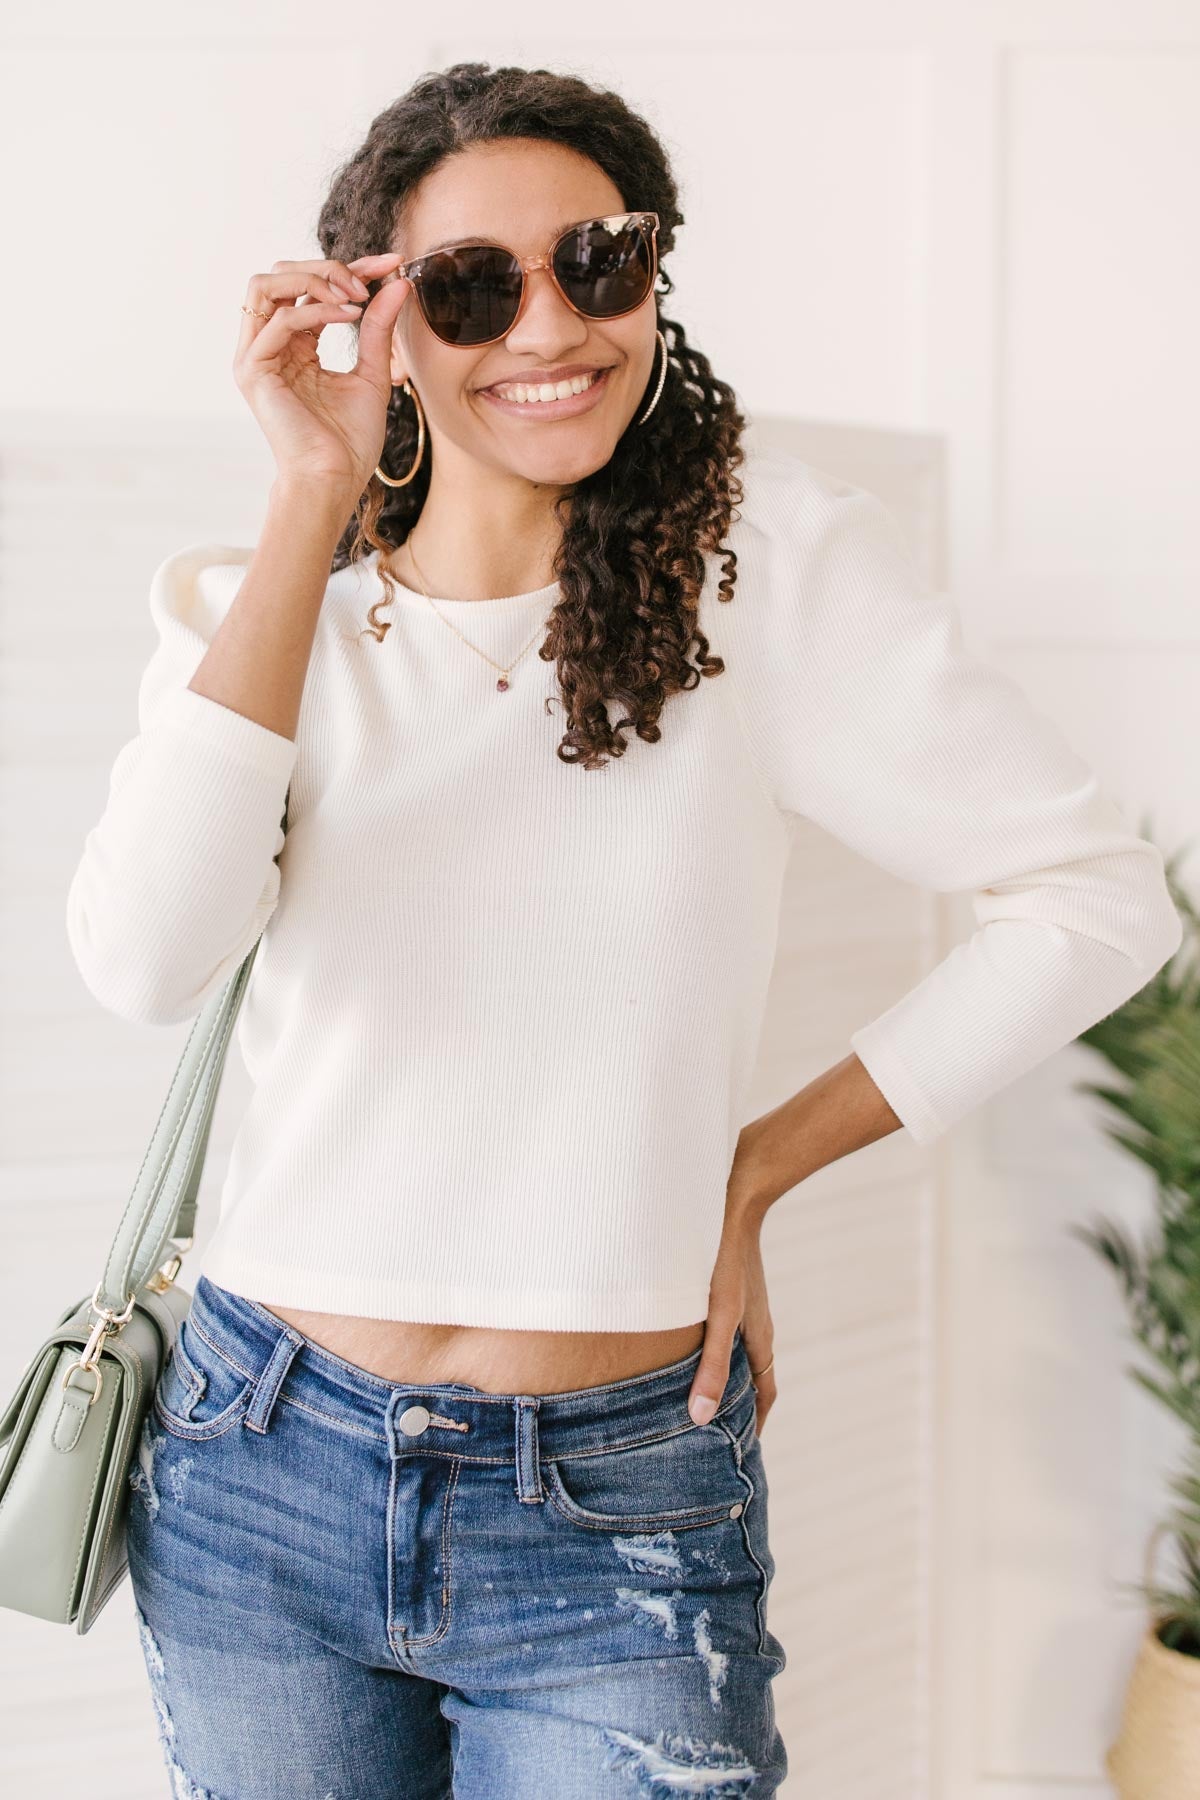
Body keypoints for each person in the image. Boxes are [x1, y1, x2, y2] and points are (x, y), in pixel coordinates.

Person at [66, 61, 1181, 1800]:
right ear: (386, 329)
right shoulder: (269, 612)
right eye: (469, 284)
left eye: (599, 259)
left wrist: (748, 1172)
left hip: (618, 1506)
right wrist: (307, 498)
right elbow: (139, 964)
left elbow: (1094, 893)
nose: (550, 322)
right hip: (258, 1460)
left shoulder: (766, 579)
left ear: (650, 274)